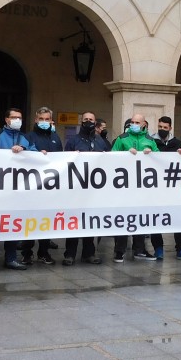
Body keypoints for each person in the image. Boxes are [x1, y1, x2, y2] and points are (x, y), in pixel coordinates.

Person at [0, 107, 33, 271]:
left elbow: (35, 153)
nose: (17, 120)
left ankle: (11, 258)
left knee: (13, 224)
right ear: (6, 119)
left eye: (19, 117)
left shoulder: (25, 137)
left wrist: (24, 150)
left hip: (17, 188)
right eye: (13, 117)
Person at [63, 110, 109, 265]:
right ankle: (69, 254)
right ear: (81, 121)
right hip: (76, 189)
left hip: (94, 189)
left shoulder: (100, 141)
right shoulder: (73, 141)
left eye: (91, 119)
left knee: (91, 221)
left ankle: (89, 253)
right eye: (86, 119)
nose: (88, 121)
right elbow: (64, 162)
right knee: (74, 221)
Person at [111, 113, 157, 261]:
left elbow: (161, 159)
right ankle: (119, 250)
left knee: (140, 217)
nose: (134, 124)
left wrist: (152, 154)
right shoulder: (122, 138)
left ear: (144, 124)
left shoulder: (150, 140)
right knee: (122, 218)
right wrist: (125, 154)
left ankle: (140, 249)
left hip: (143, 187)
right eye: (132, 122)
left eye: (137, 122)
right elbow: (111, 157)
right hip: (123, 185)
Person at [24, 106, 64, 264]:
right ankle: (27, 253)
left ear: (51, 121)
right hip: (32, 186)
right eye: (41, 119)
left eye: (47, 119)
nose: (44, 122)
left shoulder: (55, 137)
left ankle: (43, 251)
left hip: (50, 187)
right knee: (30, 220)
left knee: (46, 221)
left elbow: (61, 159)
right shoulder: (28, 137)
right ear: (35, 120)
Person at [150, 115, 181, 260]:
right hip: (155, 186)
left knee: (178, 217)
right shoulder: (151, 141)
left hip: (173, 187)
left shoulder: (177, 142)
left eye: (165, 128)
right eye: (160, 127)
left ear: (170, 128)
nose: (162, 130)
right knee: (155, 218)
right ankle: (158, 248)